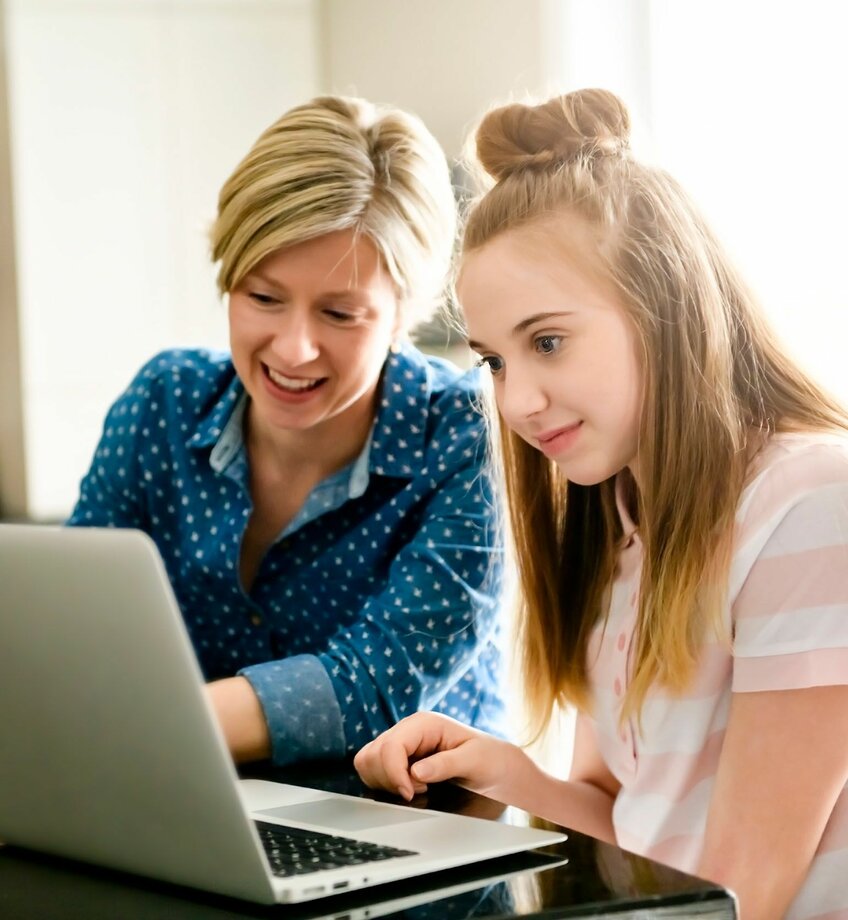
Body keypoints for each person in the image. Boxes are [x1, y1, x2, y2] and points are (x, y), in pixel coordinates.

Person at [353, 88, 848, 920]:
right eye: (496, 362)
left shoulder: (810, 504)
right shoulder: (617, 522)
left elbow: (741, 891)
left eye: (547, 342)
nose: (516, 404)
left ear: (666, 306)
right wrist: (509, 773)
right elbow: (636, 832)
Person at [68, 95, 506, 768]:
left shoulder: (469, 436)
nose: (294, 348)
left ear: (401, 314)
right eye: (264, 299)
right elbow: (74, 622)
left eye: (339, 313)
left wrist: (131, 727)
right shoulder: (164, 401)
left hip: (427, 831)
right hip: (200, 809)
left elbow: (374, 682)